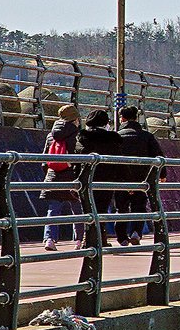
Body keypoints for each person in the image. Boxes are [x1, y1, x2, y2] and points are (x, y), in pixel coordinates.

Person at [113, 106, 165, 246]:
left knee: (121, 208)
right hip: (142, 177)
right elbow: (159, 156)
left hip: (121, 179)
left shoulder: (116, 136)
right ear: (136, 118)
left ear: (121, 118)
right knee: (139, 206)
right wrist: (163, 174)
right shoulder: (146, 136)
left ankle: (122, 238)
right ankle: (136, 232)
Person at [75, 109, 123, 248]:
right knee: (101, 209)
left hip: (86, 178)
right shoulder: (113, 138)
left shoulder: (82, 137)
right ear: (105, 122)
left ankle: (87, 239)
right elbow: (119, 162)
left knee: (88, 209)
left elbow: (77, 161)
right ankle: (101, 238)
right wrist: (124, 180)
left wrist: (76, 179)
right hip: (107, 179)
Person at [41, 104, 81, 251]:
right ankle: (79, 241)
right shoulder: (78, 135)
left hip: (54, 175)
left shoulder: (51, 135)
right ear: (75, 119)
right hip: (72, 176)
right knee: (78, 210)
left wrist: (50, 173)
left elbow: (45, 158)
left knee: (53, 209)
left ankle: (49, 239)